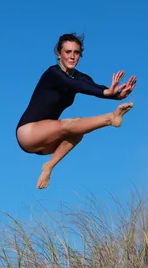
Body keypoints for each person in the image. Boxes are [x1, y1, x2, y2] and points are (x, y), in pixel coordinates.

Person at [15, 32, 137, 189]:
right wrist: (107, 93)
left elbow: (93, 87)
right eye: (68, 52)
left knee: (78, 132)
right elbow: (75, 85)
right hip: (28, 133)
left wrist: (118, 95)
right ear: (59, 54)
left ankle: (49, 166)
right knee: (72, 123)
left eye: (76, 52)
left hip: (47, 144)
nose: (72, 57)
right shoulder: (53, 73)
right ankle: (110, 118)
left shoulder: (79, 77)